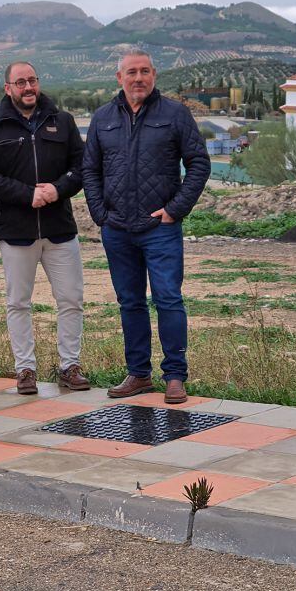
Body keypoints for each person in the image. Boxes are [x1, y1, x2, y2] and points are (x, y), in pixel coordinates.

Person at [82, 50, 210, 404]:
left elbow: (198, 164)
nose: (138, 78)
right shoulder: (103, 117)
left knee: (168, 299)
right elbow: (89, 169)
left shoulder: (175, 114)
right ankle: (138, 374)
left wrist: (174, 210)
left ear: (154, 75)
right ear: (118, 77)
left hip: (160, 228)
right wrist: (100, 214)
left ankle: (174, 376)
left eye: (144, 72)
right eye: (131, 72)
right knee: (130, 302)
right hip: (117, 229)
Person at [0, 61, 87, 396]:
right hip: (16, 230)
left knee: (70, 299)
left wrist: (58, 188)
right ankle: (25, 369)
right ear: (8, 88)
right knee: (18, 302)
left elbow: (81, 167)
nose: (28, 87)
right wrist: (27, 195)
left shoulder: (61, 121)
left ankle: (70, 366)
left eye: (32, 80)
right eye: (20, 82)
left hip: (59, 229)